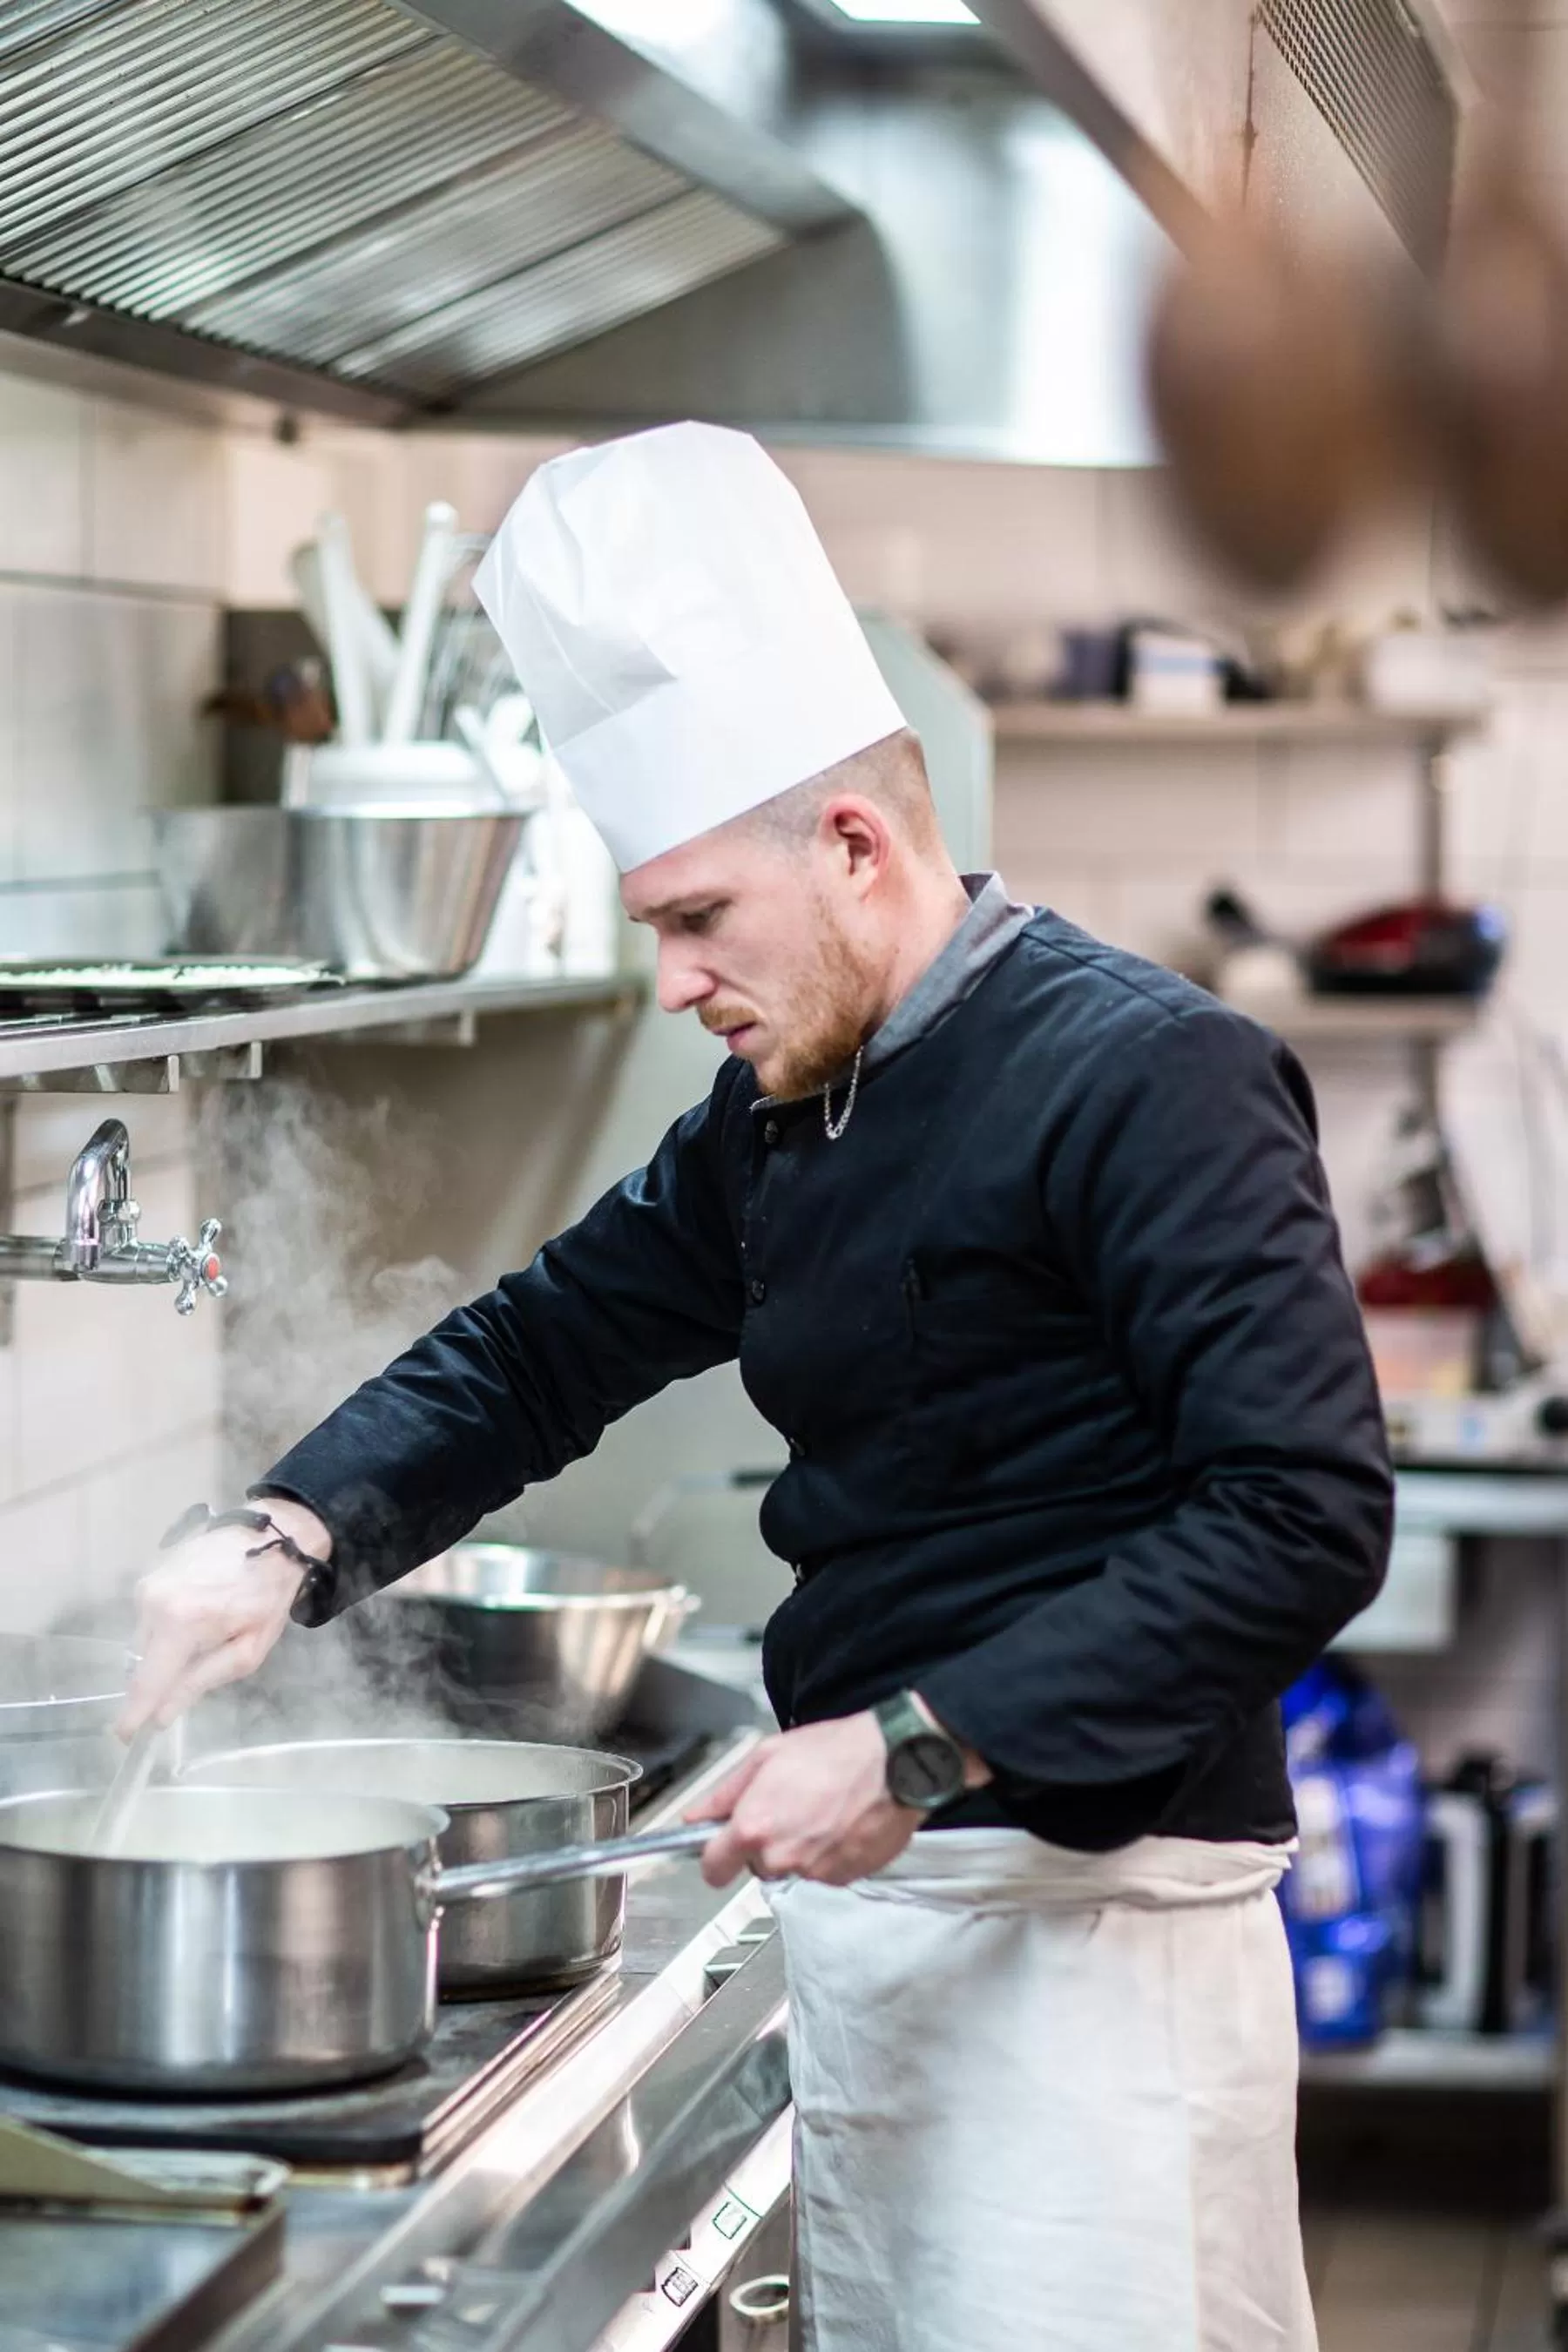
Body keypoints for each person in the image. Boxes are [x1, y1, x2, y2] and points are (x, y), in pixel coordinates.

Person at [125, 422, 1391, 2352]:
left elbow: (1302, 1514)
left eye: (698, 920)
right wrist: (284, 1540)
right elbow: (545, 1344)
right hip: (884, 1943)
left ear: (858, 847)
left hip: (1096, 1955)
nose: (675, 985)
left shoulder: (1152, 1078)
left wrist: (917, 1745)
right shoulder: (784, 1110)